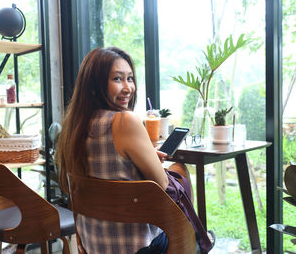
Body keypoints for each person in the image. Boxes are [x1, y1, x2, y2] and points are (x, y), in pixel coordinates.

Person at [56, 46, 194, 254]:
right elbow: (163, 183)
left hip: (92, 245)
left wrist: (142, 157)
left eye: (130, 78)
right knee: (180, 170)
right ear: (95, 84)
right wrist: (152, 159)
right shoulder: (124, 120)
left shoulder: (74, 126)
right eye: (117, 79)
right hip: (139, 248)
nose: (128, 88)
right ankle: (199, 240)